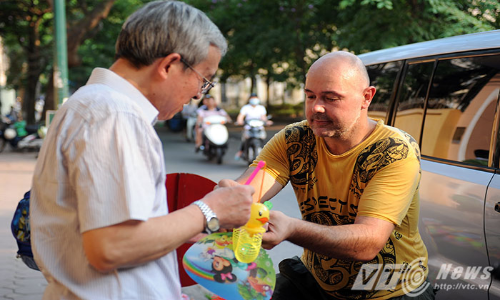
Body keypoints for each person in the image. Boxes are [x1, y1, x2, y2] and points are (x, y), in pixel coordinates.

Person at [30, 1, 254, 299]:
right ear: (169, 65)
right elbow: (112, 246)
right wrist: (211, 210)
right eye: (203, 79)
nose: (199, 95)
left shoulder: (94, 105)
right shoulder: (114, 116)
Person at [233, 51, 434, 299]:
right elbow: (249, 188)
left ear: (366, 97)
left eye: (331, 98)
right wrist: (231, 197)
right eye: (310, 96)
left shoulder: (393, 150)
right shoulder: (294, 139)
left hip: (392, 290)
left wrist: (292, 229)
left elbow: (368, 242)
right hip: (315, 278)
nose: (316, 107)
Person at [234, 94, 272, 160]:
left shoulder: (261, 108)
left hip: (259, 128)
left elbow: (264, 118)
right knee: (245, 140)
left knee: (263, 140)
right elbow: (240, 117)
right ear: (249, 99)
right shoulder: (246, 108)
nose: (254, 100)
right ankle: (240, 152)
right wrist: (239, 121)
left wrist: (267, 121)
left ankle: (266, 154)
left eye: (255, 98)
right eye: (252, 98)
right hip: (249, 128)